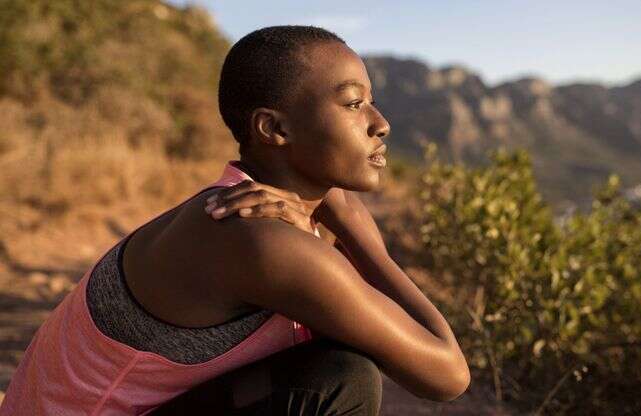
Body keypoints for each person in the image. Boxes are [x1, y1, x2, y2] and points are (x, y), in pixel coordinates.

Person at [0, 25, 470, 415]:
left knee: (334, 366)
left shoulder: (242, 213)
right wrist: (353, 228)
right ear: (275, 128)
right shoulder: (257, 238)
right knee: (341, 382)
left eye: (371, 101)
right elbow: (446, 376)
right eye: (352, 104)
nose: (380, 122)